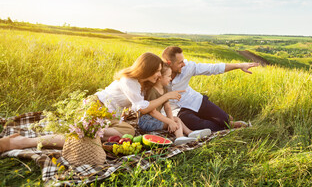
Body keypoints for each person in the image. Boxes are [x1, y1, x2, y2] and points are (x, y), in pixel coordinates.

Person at [0, 52, 185, 153]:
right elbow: (143, 109)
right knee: (82, 138)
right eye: (157, 71)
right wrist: (166, 98)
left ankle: (91, 131)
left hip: (107, 114)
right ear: (146, 70)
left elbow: (146, 106)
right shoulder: (129, 81)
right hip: (95, 107)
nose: (160, 75)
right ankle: (21, 142)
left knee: (128, 130)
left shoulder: (142, 84)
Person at [162, 46, 259, 132]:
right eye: (180, 62)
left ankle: (226, 120)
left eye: (183, 61)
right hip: (178, 110)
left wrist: (239, 66)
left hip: (194, 100)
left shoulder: (188, 67)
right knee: (202, 125)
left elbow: (213, 68)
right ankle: (225, 127)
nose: (183, 64)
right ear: (169, 63)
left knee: (225, 119)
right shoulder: (159, 75)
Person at [138, 64, 211, 145]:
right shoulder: (152, 91)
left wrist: (171, 121)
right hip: (145, 122)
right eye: (169, 76)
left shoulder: (165, 89)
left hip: (154, 119)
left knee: (175, 119)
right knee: (176, 119)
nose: (171, 78)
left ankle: (190, 133)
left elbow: (168, 108)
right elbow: (153, 112)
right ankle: (180, 137)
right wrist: (170, 121)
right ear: (159, 77)